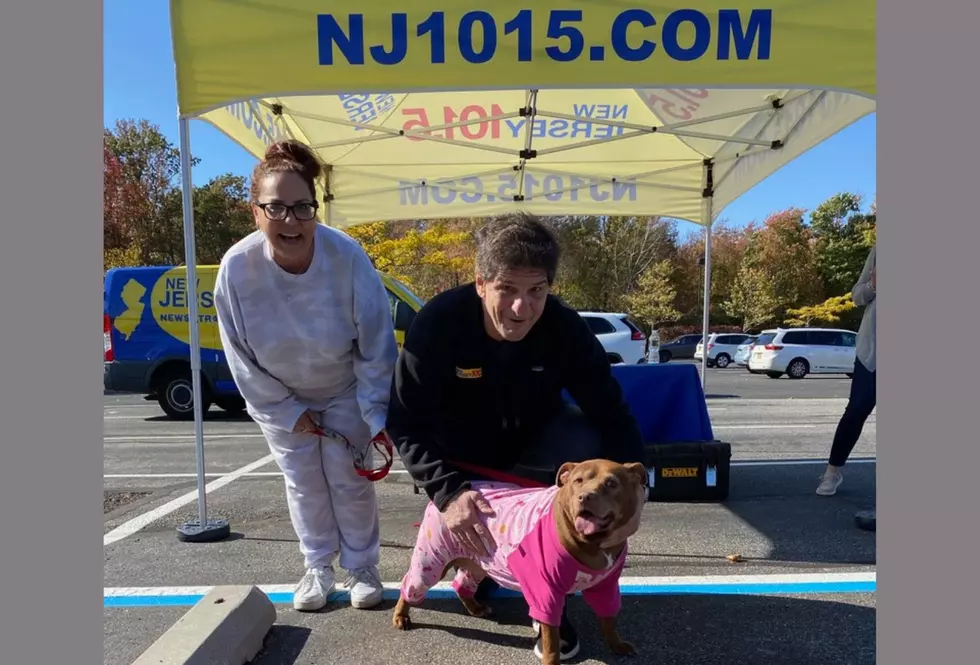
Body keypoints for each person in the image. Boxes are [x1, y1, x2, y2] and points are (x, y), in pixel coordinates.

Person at [386, 213, 647, 659]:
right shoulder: (438, 323)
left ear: (550, 287)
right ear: (481, 283)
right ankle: (485, 560)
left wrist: (639, 496)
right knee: (457, 520)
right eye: (507, 289)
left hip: (535, 449)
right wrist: (447, 494)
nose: (521, 308)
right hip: (459, 456)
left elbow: (612, 412)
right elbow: (404, 421)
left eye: (536, 291)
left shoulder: (565, 327)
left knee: (583, 441)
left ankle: (550, 590)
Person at [213, 140, 398, 612]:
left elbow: (377, 342)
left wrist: (375, 411)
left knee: (349, 481)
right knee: (302, 482)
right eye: (276, 208)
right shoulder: (235, 269)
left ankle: (361, 566)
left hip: (344, 389)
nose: (291, 220)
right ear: (255, 212)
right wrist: (284, 410)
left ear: (315, 209)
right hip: (280, 396)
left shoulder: (347, 256)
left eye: (302, 207)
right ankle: (318, 566)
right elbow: (238, 354)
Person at [817, 243, 876, 497]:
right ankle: (832, 472)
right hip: (873, 351)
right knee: (856, 411)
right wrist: (873, 286)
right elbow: (857, 295)